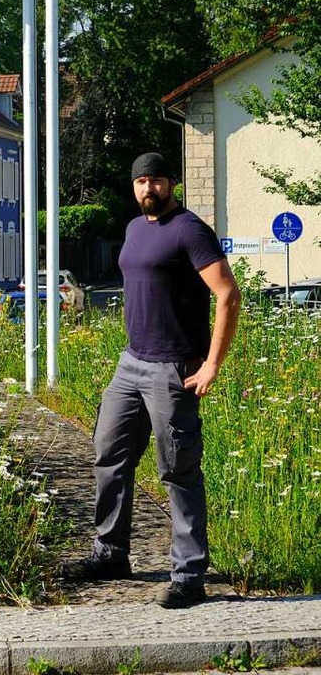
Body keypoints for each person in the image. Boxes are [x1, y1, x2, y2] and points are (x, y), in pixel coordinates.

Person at [65, 152, 240, 609]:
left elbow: (227, 295)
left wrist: (211, 365)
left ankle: (189, 575)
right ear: (134, 186)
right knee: (109, 454)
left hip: (174, 368)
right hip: (132, 362)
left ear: (172, 184)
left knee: (177, 468)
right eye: (141, 181)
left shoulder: (189, 230)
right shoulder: (133, 228)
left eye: (157, 181)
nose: (149, 189)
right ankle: (110, 553)